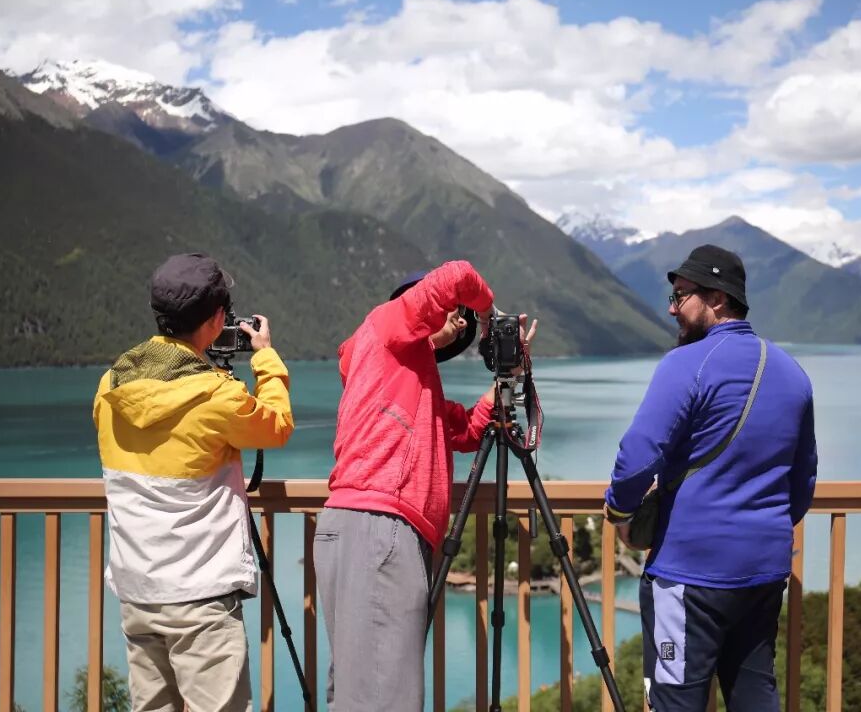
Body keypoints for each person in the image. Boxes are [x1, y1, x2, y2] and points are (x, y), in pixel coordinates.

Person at [603, 244, 817, 712]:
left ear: (717, 299)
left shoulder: (687, 363)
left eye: (681, 296)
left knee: (674, 700)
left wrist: (619, 512)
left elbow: (637, 455)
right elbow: (802, 482)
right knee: (754, 693)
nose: (671, 308)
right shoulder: (793, 372)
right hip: (763, 570)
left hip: (690, 574)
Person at [314, 260, 535, 711]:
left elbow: (467, 431)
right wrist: (489, 315)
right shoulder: (386, 323)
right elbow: (458, 276)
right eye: (456, 313)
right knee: (386, 697)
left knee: (359, 688)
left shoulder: (401, 375)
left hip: (361, 527)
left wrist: (507, 378)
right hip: (381, 527)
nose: (461, 321)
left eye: (466, 319)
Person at [94, 253, 294, 712]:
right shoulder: (217, 395)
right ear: (218, 318)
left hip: (137, 588)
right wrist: (265, 358)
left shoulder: (110, 386)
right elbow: (277, 425)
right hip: (199, 595)